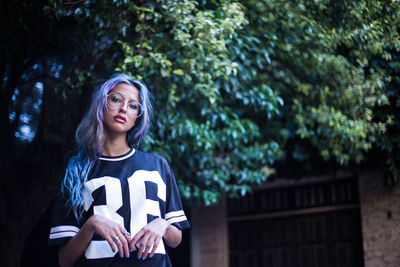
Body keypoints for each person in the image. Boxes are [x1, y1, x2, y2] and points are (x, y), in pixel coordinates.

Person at [48, 74, 190, 267]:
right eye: (116, 99)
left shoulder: (157, 165)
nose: (123, 108)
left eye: (133, 105)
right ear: (101, 104)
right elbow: (64, 260)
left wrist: (162, 224)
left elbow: (176, 239)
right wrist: (91, 224)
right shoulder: (76, 171)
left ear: (137, 118)